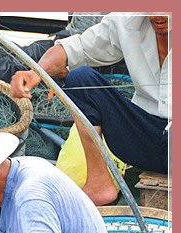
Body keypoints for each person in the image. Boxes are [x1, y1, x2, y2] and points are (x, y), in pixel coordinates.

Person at [9, 13, 171, 206]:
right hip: (143, 139)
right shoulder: (127, 20)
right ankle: (99, 184)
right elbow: (72, 49)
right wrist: (35, 73)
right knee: (81, 78)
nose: (159, 14)